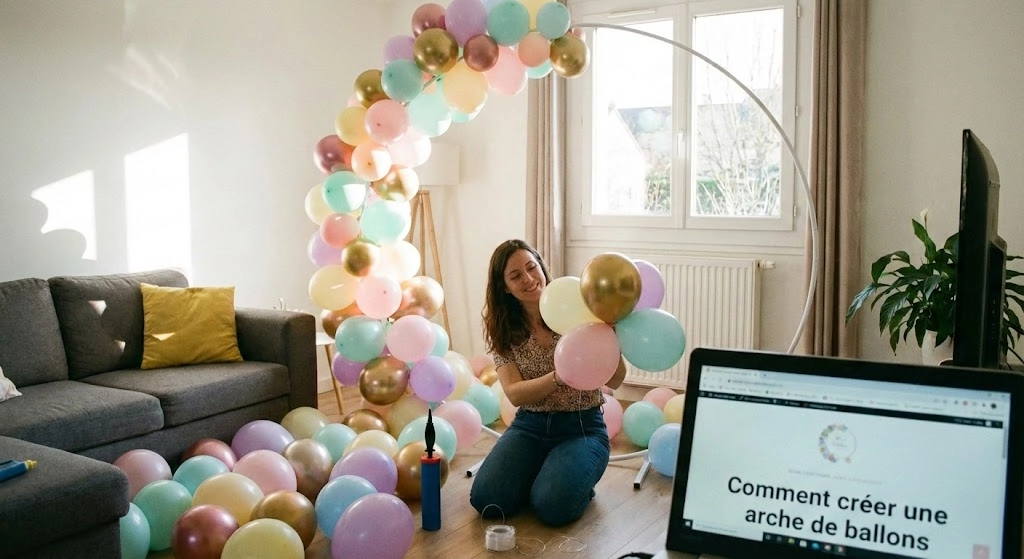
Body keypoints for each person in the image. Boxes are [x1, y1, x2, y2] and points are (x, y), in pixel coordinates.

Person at [469, 239, 627, 527]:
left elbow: (616, 379)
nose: (528, 279)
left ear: (541, 267)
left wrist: (610, 338)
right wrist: (559, 376)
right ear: (505, 287)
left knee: (553, 507)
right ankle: (545, 473)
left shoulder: (579, 311)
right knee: (487, 500)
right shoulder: (504, 329)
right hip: (529, 427)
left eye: (532, 267)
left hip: (581, 428)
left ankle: (568, 478)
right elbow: (515, 394)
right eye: (516, 275)